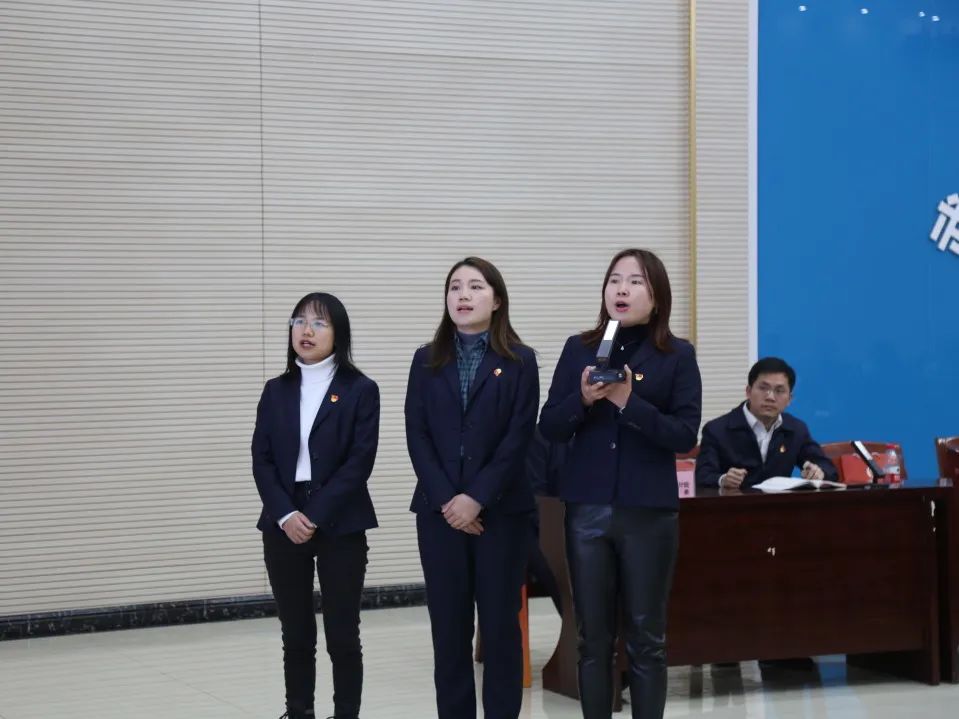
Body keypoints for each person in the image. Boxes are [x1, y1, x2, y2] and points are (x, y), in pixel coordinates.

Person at [539, 248, 702, 719]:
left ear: (657, 296)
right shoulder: (580, 348)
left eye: (635, 281)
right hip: (587, 510)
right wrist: (583, 398)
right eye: (614, 280)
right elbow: (550, 426)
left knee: (646, 638)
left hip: (648, 512)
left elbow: (684, 435)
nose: (622, 289)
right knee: (592, 638)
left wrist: (630, 402)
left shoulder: (677, 355)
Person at [405, 257, 539, 719]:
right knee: (449, 630)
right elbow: (417, 434)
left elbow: (518, 437)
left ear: (497, 300)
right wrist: (449, 501)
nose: (463, 295)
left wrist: (476, 498)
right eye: (455, 287)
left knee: (500, 629)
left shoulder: (520, 360)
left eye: (475, 287)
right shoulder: (426, 359)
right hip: (439, 514)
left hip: (501, 513)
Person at [252, 292, 379, 719]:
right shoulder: (276, 390)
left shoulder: (360, 389)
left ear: (338, 334)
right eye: (300, 321)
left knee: (342, 634)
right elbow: (262, 459)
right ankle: (298, 711)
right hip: (283, 520)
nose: (307, 331)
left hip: (341, 521)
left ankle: (346, 713)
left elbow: (359, 462)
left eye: (319, 323)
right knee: (296, 632)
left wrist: (314, 514)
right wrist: (287, 514)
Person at [695, 356, 837, 489]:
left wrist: (819, 473)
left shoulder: (796, 430)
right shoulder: (717, 430)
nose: (770, 397)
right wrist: (723, 479)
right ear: (748, 391)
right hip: (733, 505)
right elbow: (702, 476)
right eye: (763, 388)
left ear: (789, 399)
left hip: (780, 505)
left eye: (779, 391)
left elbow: (827, 468)